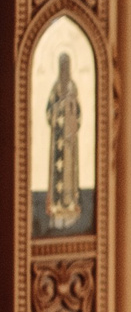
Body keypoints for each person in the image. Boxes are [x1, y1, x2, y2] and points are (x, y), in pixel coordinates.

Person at [44, 49, 81, 232]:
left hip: (70, 142)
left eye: (67, 64)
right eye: (62, 65)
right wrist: (60, 109)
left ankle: (70, 212)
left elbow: (79, 113)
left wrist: (73, 118)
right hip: (59, 140)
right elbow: (49, 112)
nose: (64, 68)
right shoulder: (56, 88)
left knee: (70, 176)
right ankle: (57, 213)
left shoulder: (73, 87)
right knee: (58, 175)